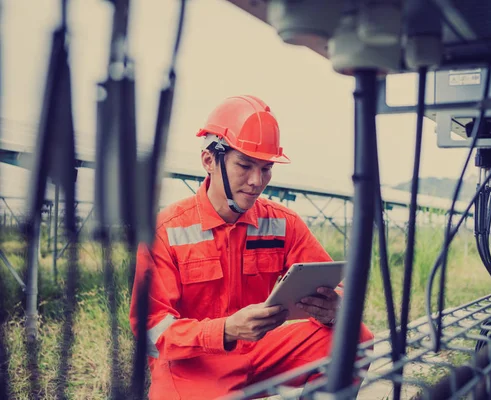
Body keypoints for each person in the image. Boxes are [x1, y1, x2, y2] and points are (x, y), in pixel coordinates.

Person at [130, 95, 374, 399]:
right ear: (209, 161)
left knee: (356, 339)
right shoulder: (165, 231)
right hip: (193, 365)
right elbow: (152, 330)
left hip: (261, 351)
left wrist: (333, 309)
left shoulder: (283, 223)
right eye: (244, 165)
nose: (257, 181)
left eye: (266, 168)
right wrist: (226, 330)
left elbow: (337, 287)